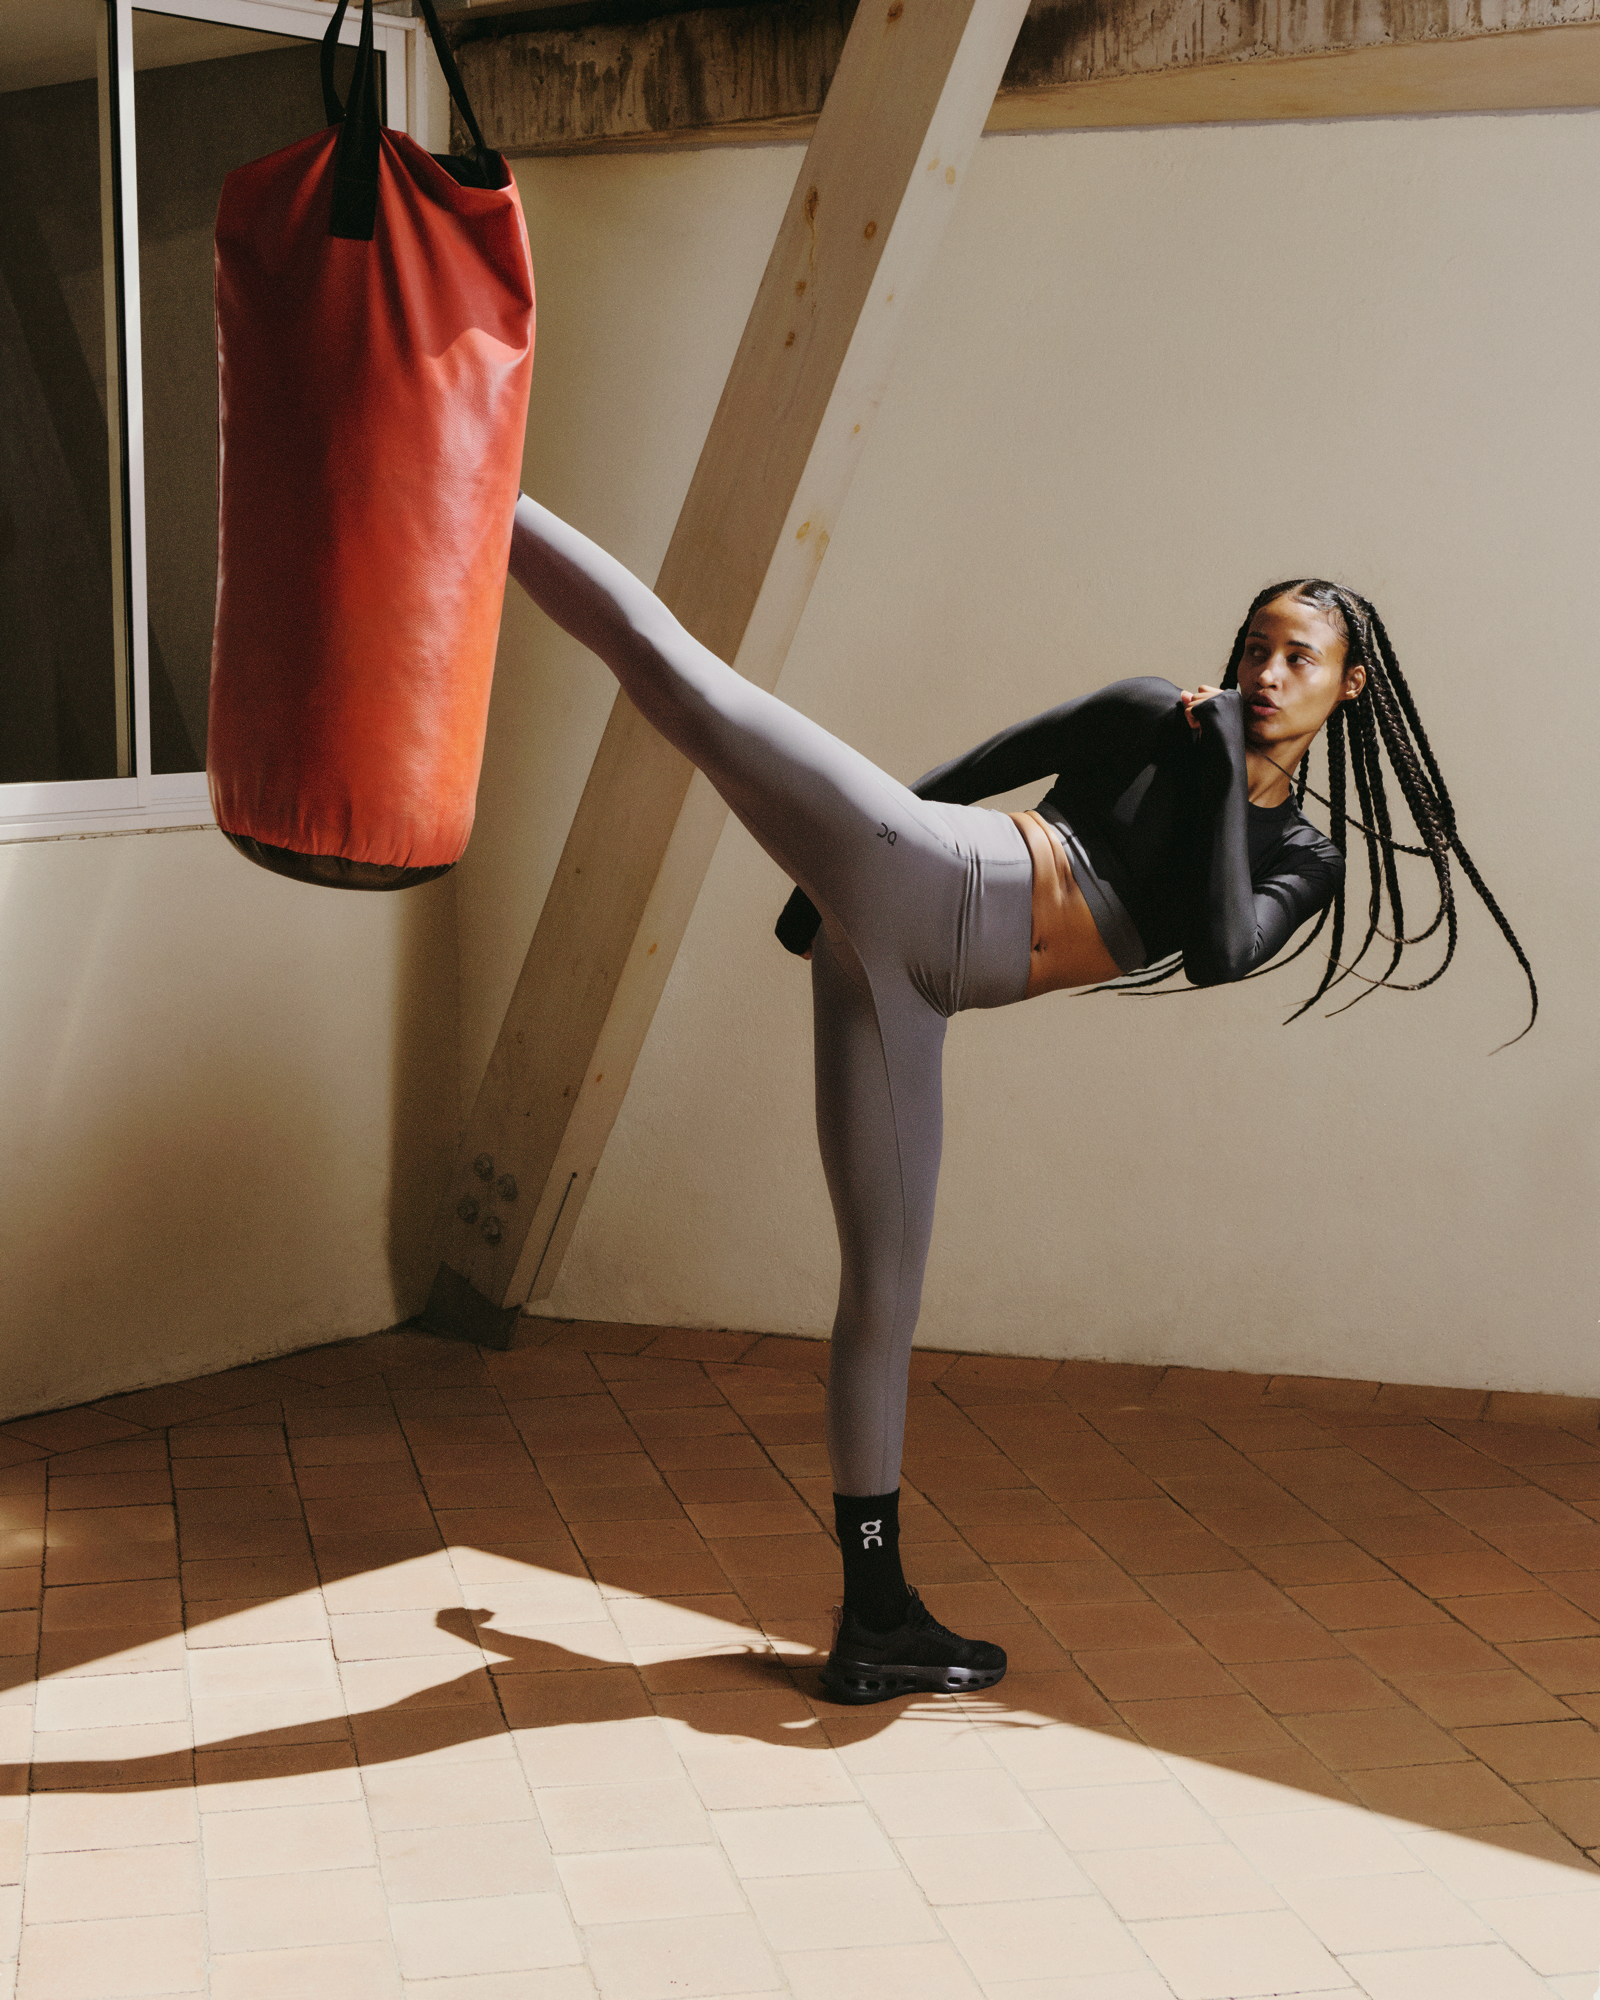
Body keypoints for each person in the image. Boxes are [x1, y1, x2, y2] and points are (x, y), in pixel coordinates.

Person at [506, 495, 1535, 1705]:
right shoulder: (1156, 711)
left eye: (1295, 656)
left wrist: (1221, 788)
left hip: (908, 984)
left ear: (1348, 684)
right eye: (1254, 644)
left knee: (881, 1291)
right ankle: (477, 482)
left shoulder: (1301, 855)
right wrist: (818, 875)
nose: (1262, 671)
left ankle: (875, 1619)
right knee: (679, 682)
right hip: (928, 867)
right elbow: (969, 774)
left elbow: (1213, 951)